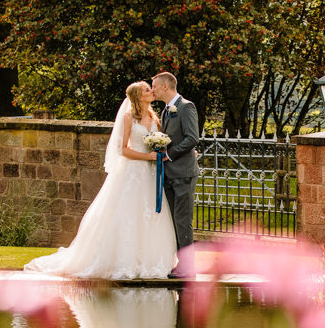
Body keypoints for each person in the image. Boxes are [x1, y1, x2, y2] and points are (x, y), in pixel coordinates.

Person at [24, 81, 177, 280]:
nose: (151, 91)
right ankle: (122, 260)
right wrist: (146, 157)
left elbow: (158, 143)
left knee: (151, 214)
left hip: (150, 175)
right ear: (139, 97)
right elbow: (122, 150)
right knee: (127, 215)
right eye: (147, 90)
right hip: (132, 173)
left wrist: (159, 153)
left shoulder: (154, 117)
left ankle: (151, 261)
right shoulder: (129, 117)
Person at [150, 71, 200, 277]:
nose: (152, 90)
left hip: (183, 173)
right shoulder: (165, 111)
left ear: (165, 87)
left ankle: (187, 267)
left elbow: (192, 138)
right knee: (173, 221)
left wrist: (168, 155)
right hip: (170, 175)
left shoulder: (186, 106)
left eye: (154, 86)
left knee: (182, 220)